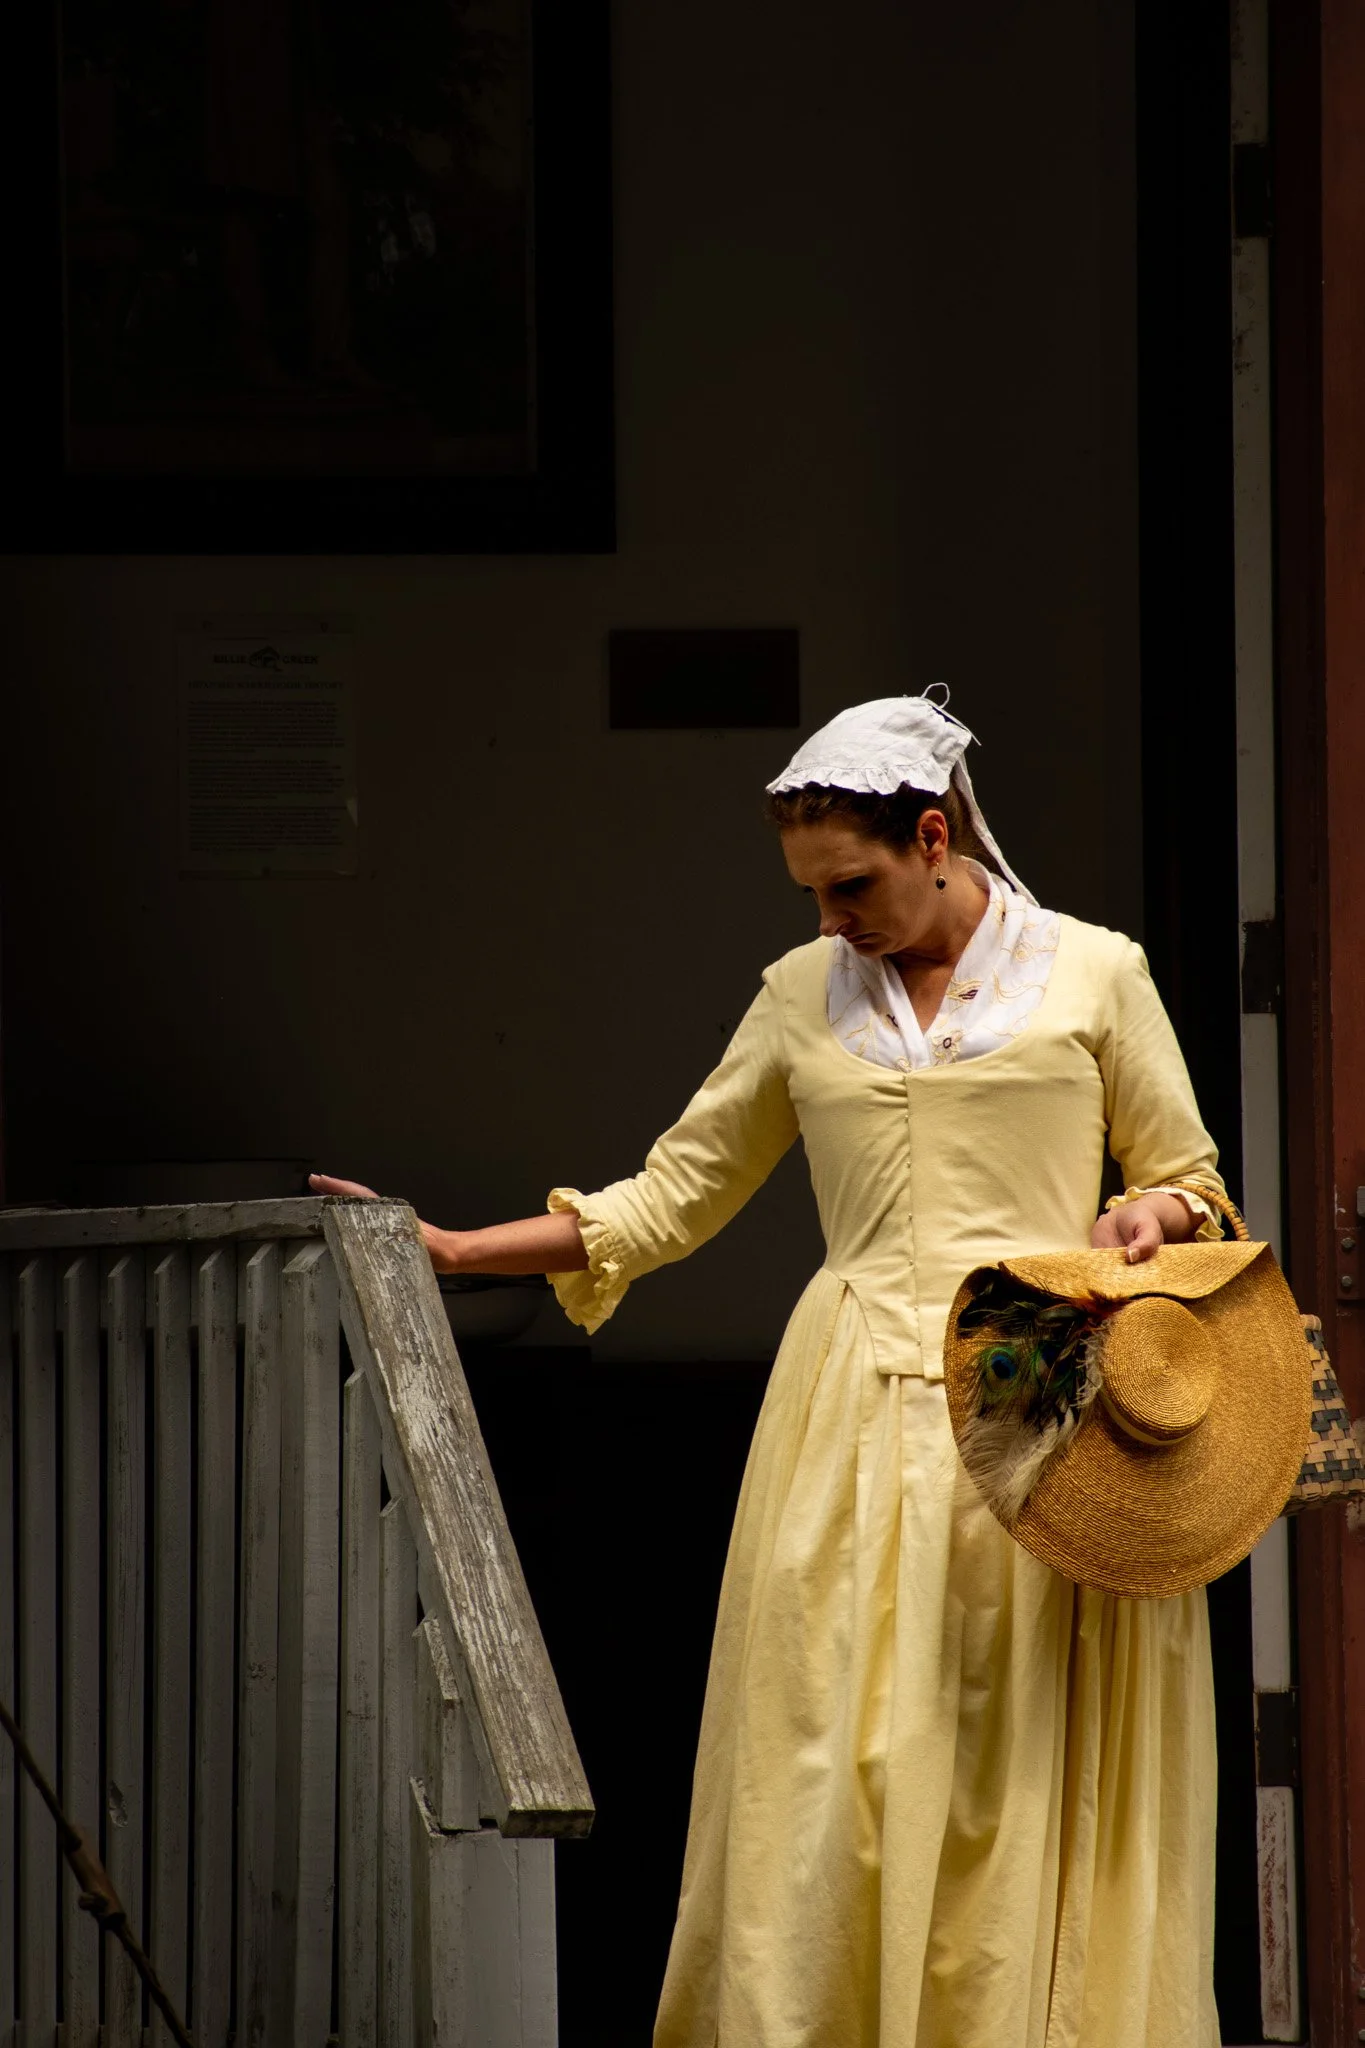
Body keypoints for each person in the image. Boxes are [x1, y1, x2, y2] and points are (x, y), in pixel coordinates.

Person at [313, 690, 1226, 2048]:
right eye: (808, 892)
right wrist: (455, 1252)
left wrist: (1147, 1217)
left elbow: (1190, 1180)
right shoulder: (804, 996)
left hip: (1048, 1398)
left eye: (850, 885)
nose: (828, 920)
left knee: (1025, 1759)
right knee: (839, 1767)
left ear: (934, 837)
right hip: (853, 1416)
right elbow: (671, 1198)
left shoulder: (1097, 974)